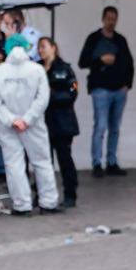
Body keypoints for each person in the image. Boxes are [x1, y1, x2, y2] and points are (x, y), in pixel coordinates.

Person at [0, 28, 60, 214]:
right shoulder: (37, 70)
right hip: (34, 124)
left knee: (14, 165)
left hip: (8, 127)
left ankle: (22, 205)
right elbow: (43, 98)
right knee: (42, 162)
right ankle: (48, 202)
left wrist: (12, 119)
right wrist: (28, 119)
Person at [77, 7, 134, 175]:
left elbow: (129, 63)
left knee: (114, 127)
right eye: (108, 18)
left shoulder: (120, 40)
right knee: (100, 126)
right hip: (100, 89)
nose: (111, 22)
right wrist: (99, 59)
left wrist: (127, 85)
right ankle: (96, 162)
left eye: (114, 18)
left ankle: (112, 161)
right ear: (103, 19)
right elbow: (82, 61)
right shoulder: (94, 39)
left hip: (119, 90)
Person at [40, 34, 81, 209]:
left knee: (65, 160)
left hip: (63, 121)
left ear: (53, 47)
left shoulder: (65, 69)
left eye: (44, 46)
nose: (41, 50)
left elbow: (73, 92)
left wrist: (51, 94)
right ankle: (44, 195)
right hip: (44, 122)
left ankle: (70, 194)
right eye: (39, 47)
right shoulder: (37, 69)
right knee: (43, 161)